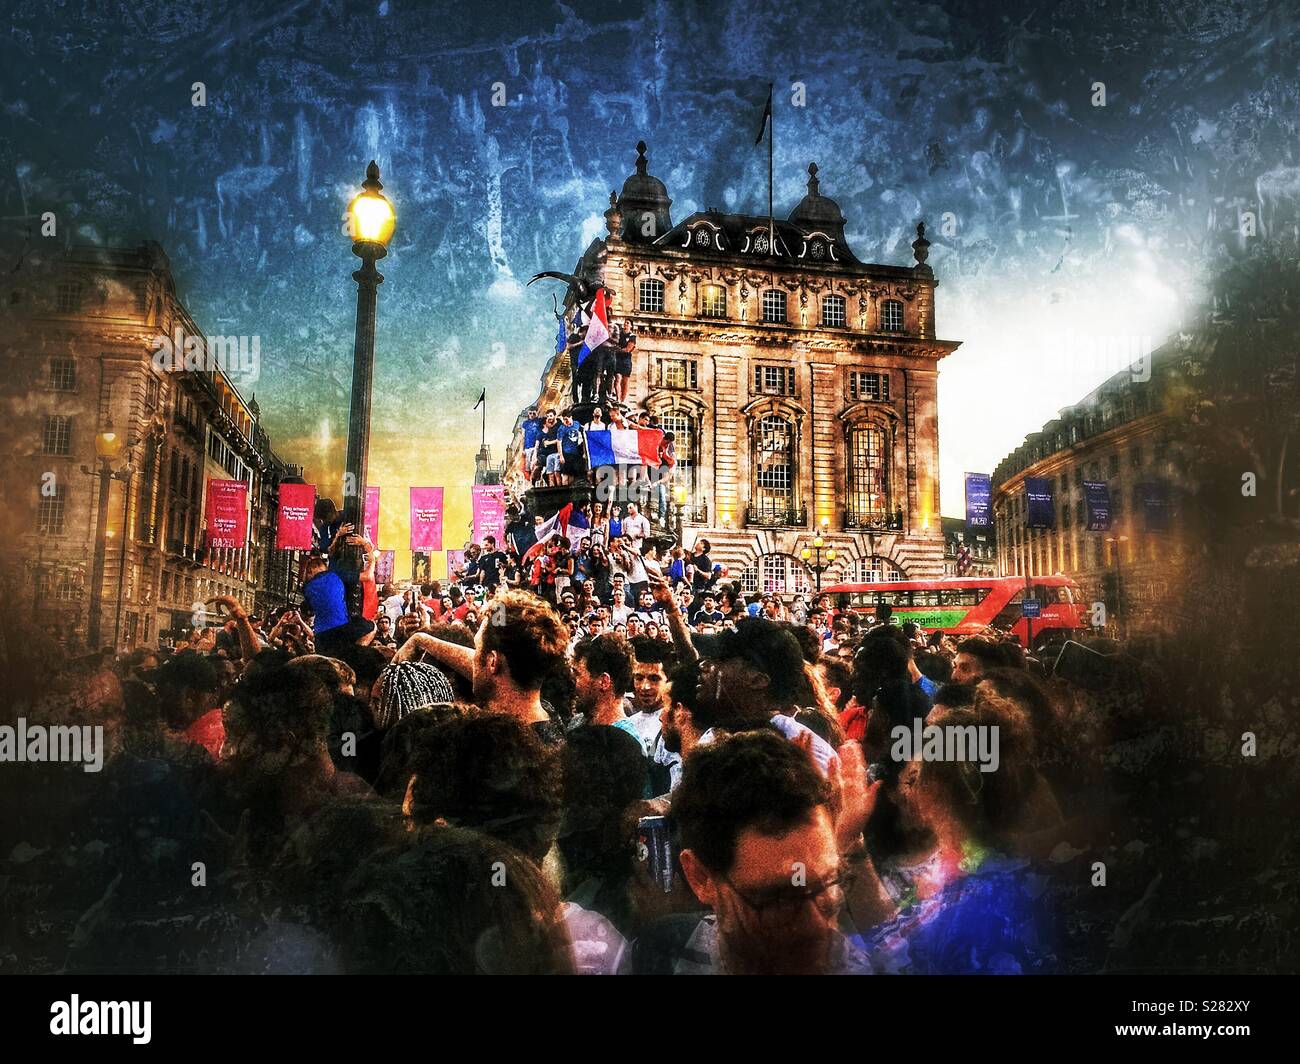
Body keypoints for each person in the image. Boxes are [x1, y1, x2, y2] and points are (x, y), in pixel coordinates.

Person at [637, 730, 876, 975]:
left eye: (828, 884)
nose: (816, 928)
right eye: (779, 899)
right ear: (701, 877)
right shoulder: (663, 956)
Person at [394, 588, 569, 746]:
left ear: (492, 661)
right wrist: (423, 640)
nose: (473, 657)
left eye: (476, 649)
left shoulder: (491, 746)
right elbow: (497, 660)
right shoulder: (548, 712)